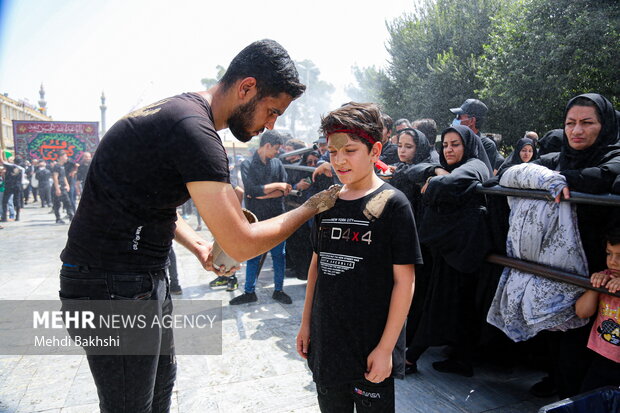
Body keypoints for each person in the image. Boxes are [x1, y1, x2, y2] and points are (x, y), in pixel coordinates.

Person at [58, 39, 341, 413]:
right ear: (246, 88)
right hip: (112, 283)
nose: (271, 125)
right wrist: (310, 207)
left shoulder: (179, 113)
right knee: (129, 405)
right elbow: (241, 244)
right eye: (272, 111)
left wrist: (201, 248)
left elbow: (150, 202)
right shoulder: (195, 131)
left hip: (136, 277)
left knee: (159, 391)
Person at [296, 102, 420, 413]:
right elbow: (316, 265)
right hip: (327, 343)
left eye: (349, 150)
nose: (338, 160)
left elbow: (405, 282)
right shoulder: (327, 202)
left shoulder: (394, 204)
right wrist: (306, 323)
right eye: (332, 151)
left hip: (370, 347)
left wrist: (386, 348)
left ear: (375, 151)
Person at [528, 93, 620, 398]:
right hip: (558, 260)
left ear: (604, 125)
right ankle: (554, 380)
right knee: (555, 325)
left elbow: (603, 177)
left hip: (599, 262)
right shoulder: (559, 157)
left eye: (586, 123)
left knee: (583, 335)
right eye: (570, 123)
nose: (576, 131)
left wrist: (552, 180)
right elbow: (516, 170)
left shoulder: (614, 155)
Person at [405, 125, 493, 377]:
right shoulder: (451, 165)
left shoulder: (475, 165)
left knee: (439, 304)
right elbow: (414, 171)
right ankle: (462, 360)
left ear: (468, 145)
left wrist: (434, 180)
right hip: (452, 249)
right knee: (460, 307)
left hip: (462, 251)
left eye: (455, 144)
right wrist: (436, 169)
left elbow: (451, 184)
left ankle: (410, 359)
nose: (449, 149)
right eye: (445, 145)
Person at [230, 130, 293, 305]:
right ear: (267, 146)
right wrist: (276, 187)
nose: (278, 152)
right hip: (257, 220)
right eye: (276, 148)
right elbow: (250, 190)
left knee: (279, 256)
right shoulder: (247, 164)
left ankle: (278, 290)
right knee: (253, 256)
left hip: (277, 218)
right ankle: (249, 291)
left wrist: (263, 193)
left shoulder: (278, 164)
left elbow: (285, 189)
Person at [574, 228, 620, 391]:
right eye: (609, 254)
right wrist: (595, 288)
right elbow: (582, 312)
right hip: (603, 357)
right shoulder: (607, 276)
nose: (613, 261)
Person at [450, 98, 504, 173]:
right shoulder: (455, 141)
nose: (456, 120)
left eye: (459, 116)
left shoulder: (486, 145)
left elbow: (483, 175)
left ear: (472, 120)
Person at [51, 151, 75, 224]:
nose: (66, 158)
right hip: (57, 187)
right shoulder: (56, 166)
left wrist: (67, 185)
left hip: (63, 187)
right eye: (65, 156)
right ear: (61, 157)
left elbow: (64, 177)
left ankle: (71, 216)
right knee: (57, 204)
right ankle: (58, 218)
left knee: (67, 202)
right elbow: (55, 178)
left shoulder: (62, 166)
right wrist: (57, 189)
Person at [0, 154, 24, 222]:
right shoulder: (22, 169)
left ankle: (4, 217)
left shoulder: (10, 166)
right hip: (18, 186)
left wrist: (1, 153)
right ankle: (17, 216)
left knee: (5, 201)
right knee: (17, 201)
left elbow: (2, 161)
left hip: (9, 186)